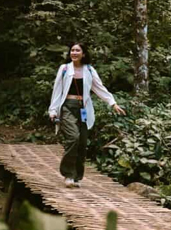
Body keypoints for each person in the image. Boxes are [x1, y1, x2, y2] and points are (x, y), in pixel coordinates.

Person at [48, 43, 126, 188]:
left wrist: (112, 103)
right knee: (73, 138)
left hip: (83, 109)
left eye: (78, 50)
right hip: (67, 107)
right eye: (72, 50)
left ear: (83, 54)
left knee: (82, 142)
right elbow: (57, 90)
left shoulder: (89, 70)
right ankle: (68, 174)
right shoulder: (64, 69)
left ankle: (77, 176)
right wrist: (52, 110)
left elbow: (99, 87)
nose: (74, 52)